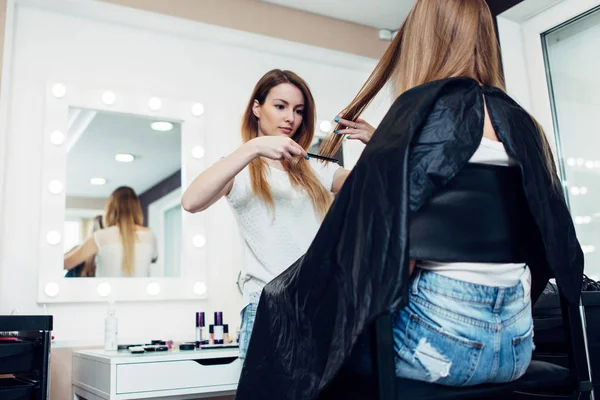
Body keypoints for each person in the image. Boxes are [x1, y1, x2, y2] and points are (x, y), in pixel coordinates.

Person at [235, 0, 583, 398]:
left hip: (442, 346)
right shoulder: (525, 125)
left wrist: (392, 143)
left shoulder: (419, 112)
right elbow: (552, 245)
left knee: (309, 356)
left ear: (422, 40)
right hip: (519, 345)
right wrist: (386, 141)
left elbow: (389, 259)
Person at [181, 69, 374, 359]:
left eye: (298, 110)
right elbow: (191, 201)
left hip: (322, 308)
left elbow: (380, 182)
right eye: (280, 106)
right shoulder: (239, 168)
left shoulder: (318, 171)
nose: (291, 118)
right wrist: (255, 147)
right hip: (267, 310)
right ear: (257, 108)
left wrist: (380, 142)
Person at [64, 186, 158, 277]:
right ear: (137, 209)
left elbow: (65, 263)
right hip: (139, 293)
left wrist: (80, 247)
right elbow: (154, 258)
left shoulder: (100, 236)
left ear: (110, 209)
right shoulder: (150, 235)